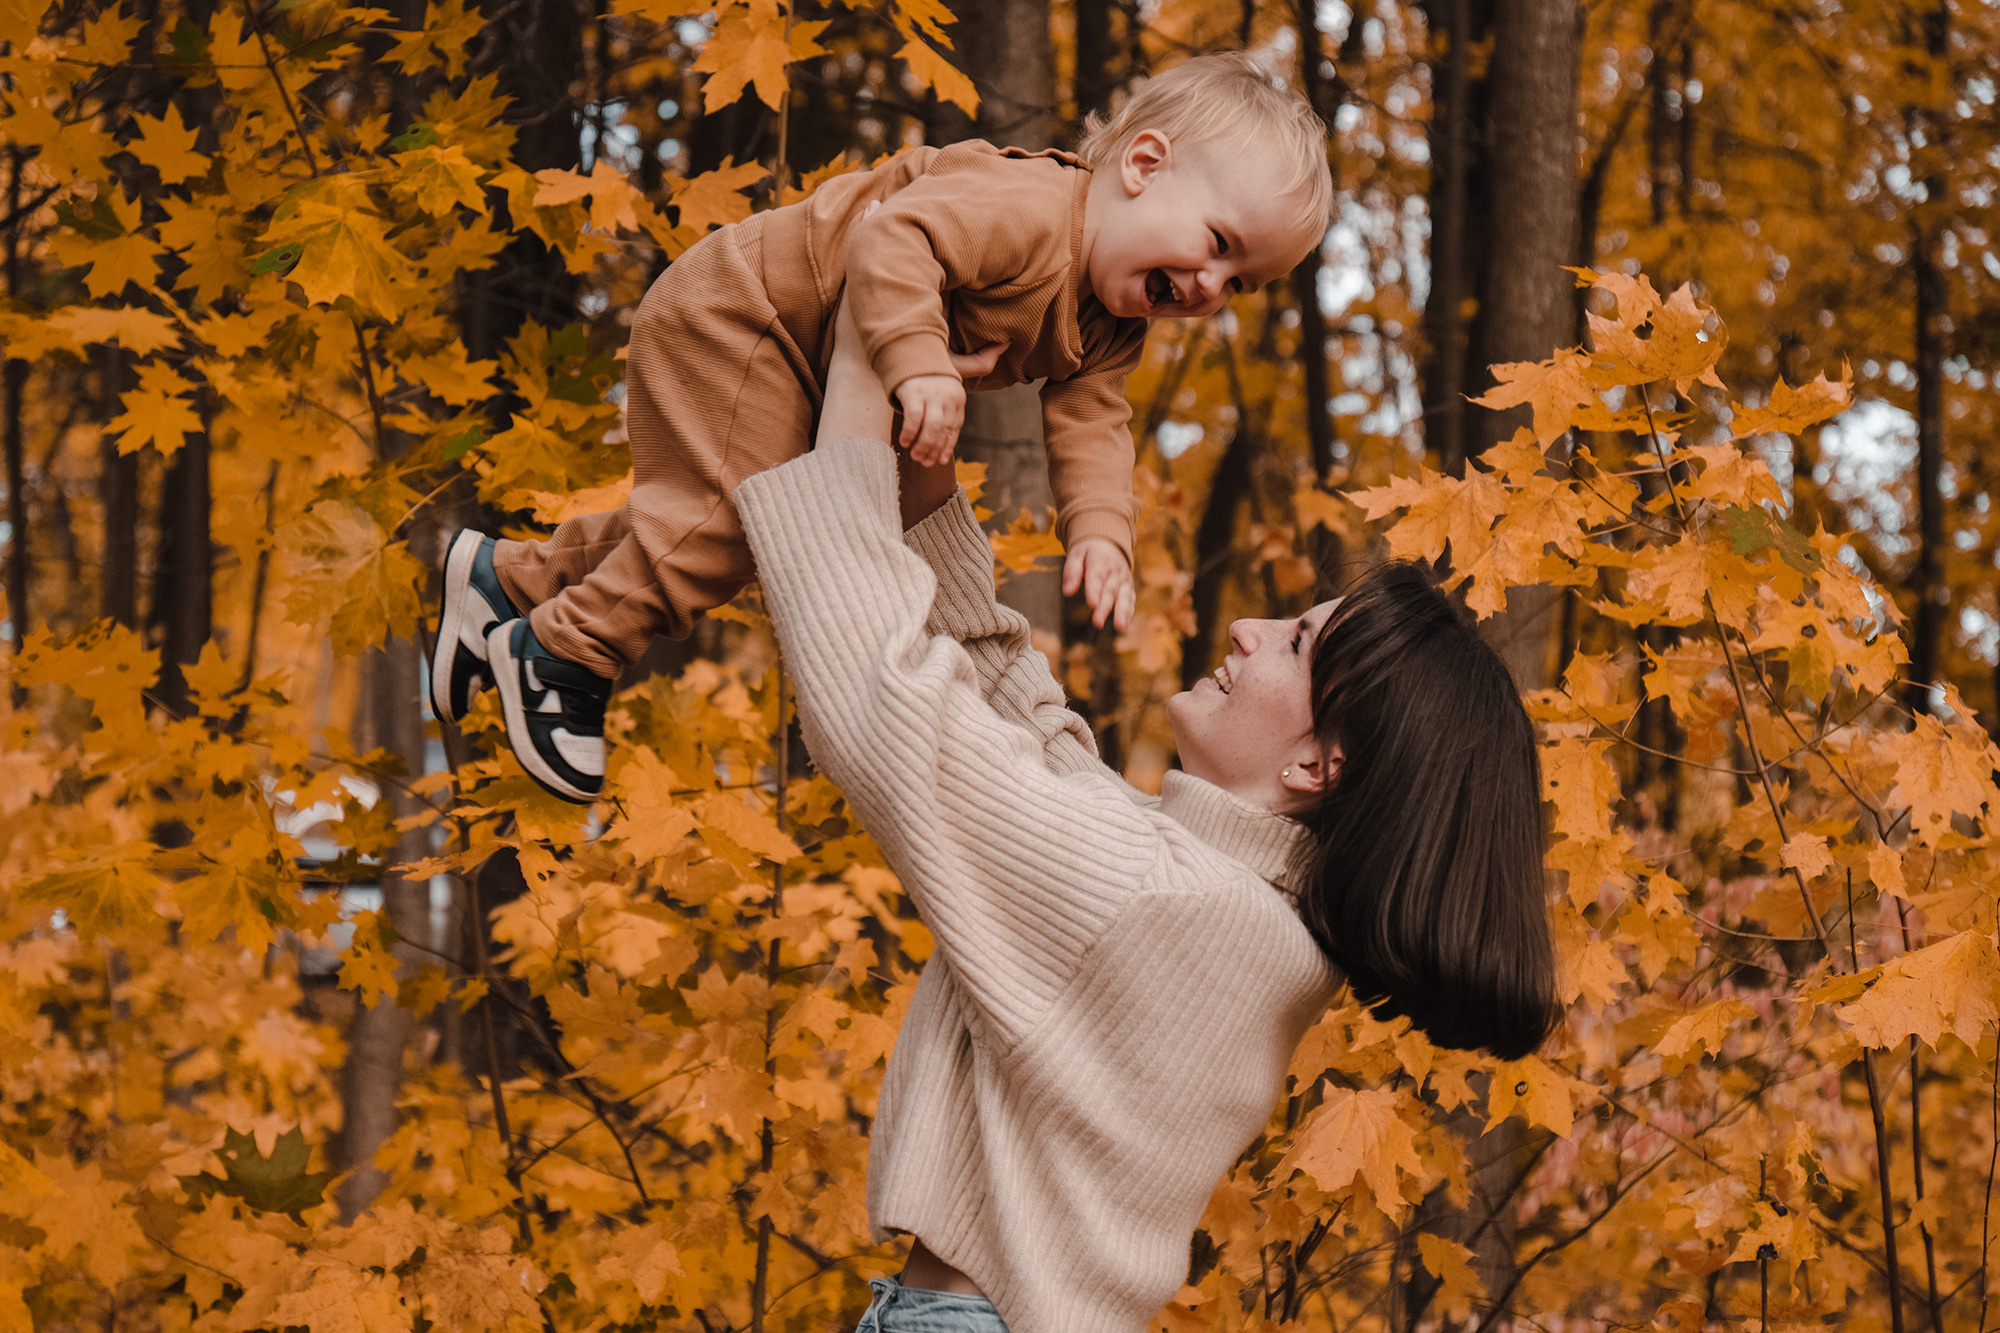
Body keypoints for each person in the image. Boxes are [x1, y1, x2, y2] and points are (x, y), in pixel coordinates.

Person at [724, 296, 1559, 1333]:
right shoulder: (1225, 908)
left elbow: (892, 713)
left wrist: (855, 368)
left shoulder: (1164, 901)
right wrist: (924, 463)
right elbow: (1015, 713)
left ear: (1318, 761)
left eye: (1293, 644)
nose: (1248, 630)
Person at [427, 51, 1332, 802]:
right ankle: (564, 651)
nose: (1213, 290)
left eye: (1241, 282)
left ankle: (508, 583)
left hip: (803, 357)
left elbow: (1095, 420)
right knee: (732, 519)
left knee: (726, 531)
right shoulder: (1027, 211)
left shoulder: (1110, 324)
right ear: (1142, 166)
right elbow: (891, 238)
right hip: (747, 316)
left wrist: (1102, 532)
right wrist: (921, 360)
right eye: (1219, 244)